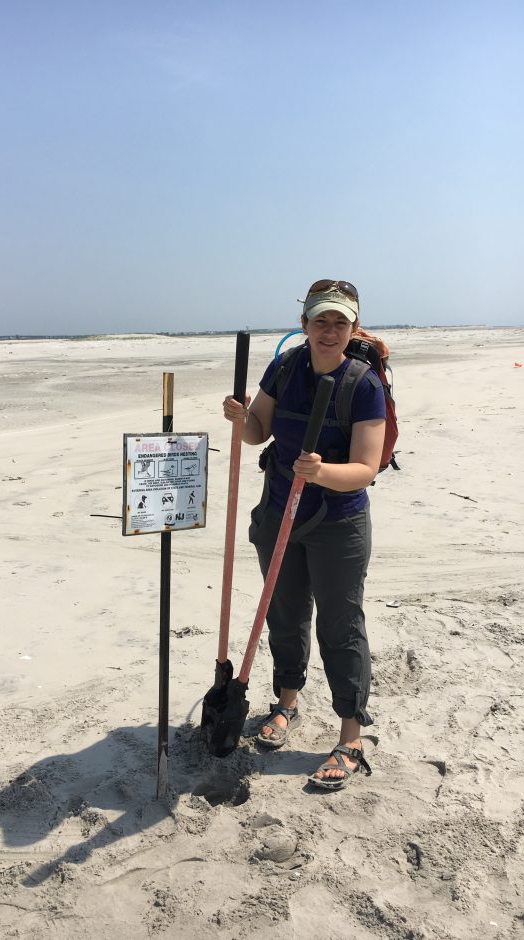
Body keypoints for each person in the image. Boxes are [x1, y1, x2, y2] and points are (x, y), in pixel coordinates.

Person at [222, 279, 386, 790]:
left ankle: (350, 736)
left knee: (340, 623)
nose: (330, 331)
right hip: (278, 511)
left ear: (353, 327)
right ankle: (286, 702)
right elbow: (258, 433)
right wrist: (240, 417)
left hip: (338, 522)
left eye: (340, 322)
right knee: (284, 612)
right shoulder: (286, 366)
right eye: (321, 321)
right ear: (305, 325)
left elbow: (366, 467)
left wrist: (321, 473)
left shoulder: (364, 384)